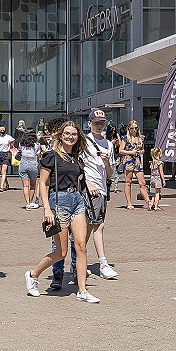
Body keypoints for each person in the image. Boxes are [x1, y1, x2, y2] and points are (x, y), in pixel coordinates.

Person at [25, 119, 99, 304]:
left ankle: (82, 290)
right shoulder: (51, 156)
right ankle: (33, 274)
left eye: (74, 134)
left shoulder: (76, 157)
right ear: (61, 135)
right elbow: (42, 183)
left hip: (77, 201)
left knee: (81, 246)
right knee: (61, 252)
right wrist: (47, 209)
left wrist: (87, 186)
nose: (70, 137)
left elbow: (79, 179)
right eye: (67, 133)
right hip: (59, 202)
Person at [69, 109, 119, 281]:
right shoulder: (84, 142)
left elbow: (110, 173)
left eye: (102, 123)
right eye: (96, 123)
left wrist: (106, 161)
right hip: (89, 189)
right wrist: (87, 184)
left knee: (90, 226)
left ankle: (78, 261)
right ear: (89, 123)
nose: (100, 126)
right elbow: (78, 166)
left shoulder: (109, 144)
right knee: (98, 225)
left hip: (102, 189)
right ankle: (102, 264)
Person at [117, 121, 146, 208]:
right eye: (132, 128)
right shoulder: (126, 138)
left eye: (136, 128)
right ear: (129, 129)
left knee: (142, 182)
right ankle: (129, 203)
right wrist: (131, 152)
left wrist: (140, 151)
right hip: (129, 160)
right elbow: (120, 150)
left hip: (137, 161)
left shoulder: (140, 138)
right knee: (128, 182)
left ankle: (147, 201)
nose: (134, 130)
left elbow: (143, 149)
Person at [17, 129, 42, 208]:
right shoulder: (36, 144)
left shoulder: (21, 143)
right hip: (32, 162)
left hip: (23, 162)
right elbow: (38, 153)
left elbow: (20, 150)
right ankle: (31, 201)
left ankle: (27, 203)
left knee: (25, 186)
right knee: (33, 185)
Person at [0, 125, 16, 191]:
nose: (2, 131)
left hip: (6, 154)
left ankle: (1, 187)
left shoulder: (9, 137)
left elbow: (12, 147)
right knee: (2, 172)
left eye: (3, 130)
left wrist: (10, 144)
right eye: (1, 130)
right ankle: (7, 184)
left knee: (3, 171)